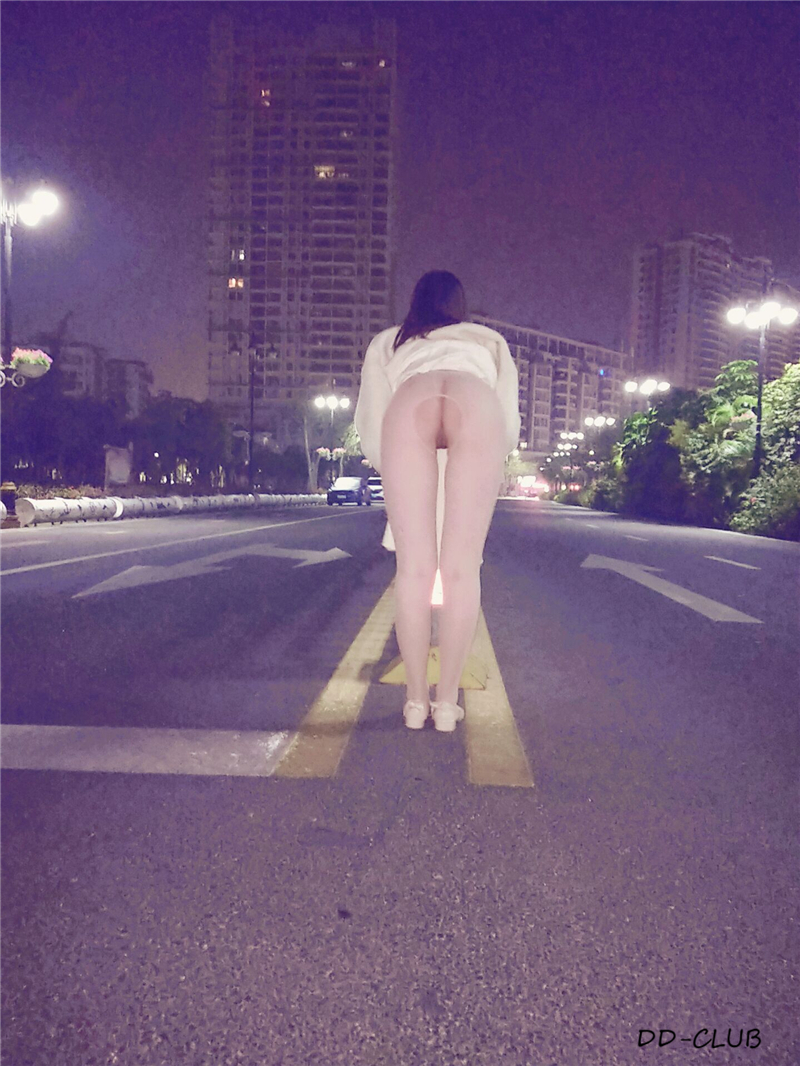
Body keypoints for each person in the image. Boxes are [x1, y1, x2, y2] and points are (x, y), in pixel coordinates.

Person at [354, 271, 520, 732]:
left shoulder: (390, 340)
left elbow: (373, 421)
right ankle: (446, 705)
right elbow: (507, 424)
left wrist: (392, 461)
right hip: (476, 400)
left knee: (413, 570)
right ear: (459, 306)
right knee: (461, 570)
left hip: (412, 398)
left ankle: (414, 703)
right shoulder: (489, 341)